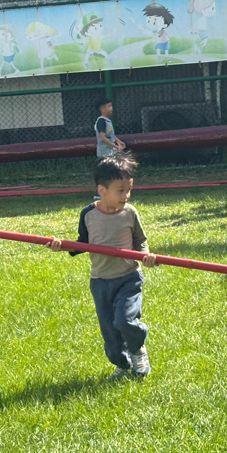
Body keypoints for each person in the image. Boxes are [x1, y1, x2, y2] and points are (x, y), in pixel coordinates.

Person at [46, 152, 157, 380]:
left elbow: (140, 240)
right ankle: (122, 364)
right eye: (120, 190)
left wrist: (145, 255)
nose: (126, 195)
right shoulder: (88, 214)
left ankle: (138, 350)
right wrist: (61, 246)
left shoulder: (130, 213)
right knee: (110, 333)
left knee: (124, 321)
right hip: (100, 282)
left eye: (129, 189)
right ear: (102, 190)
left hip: (128, 277)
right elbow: (82, 244)